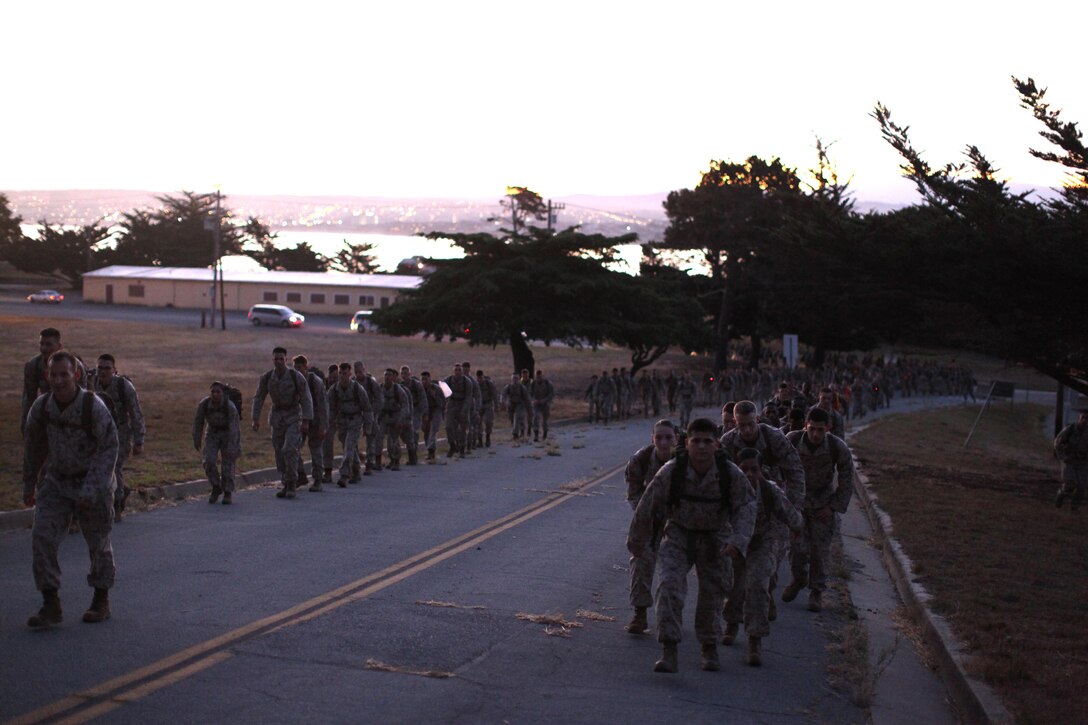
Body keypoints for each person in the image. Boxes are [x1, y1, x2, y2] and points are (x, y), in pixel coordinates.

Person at [627, 417, 756, 674]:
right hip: (679, 535)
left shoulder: (730, 474)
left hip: (715, 538)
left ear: (717, 445)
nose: (701, 447)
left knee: (713, 594)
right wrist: (638, 542)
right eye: (695, 441)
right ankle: (669, 650)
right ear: (687, 443)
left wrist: (738, 541)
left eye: (707, 442)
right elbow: (646, 506)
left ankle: (709, 647)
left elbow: (747, 506)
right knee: (669, 587)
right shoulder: (672, 471)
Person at [23, 351, 119, 628]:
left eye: (64, 374)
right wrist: (29, 484)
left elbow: (109, 448)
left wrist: (92, 490)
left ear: (76, 375)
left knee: (98, 543)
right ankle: (50, 603)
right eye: (53, 375)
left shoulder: (93, 407)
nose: (58, 380)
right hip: (57, 481)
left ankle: (101, 599)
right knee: (42, 537)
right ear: (47, 376)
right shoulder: (42, 409)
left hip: (93, 483)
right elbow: (33, 448)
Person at [722, 449, 803, 666]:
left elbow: (789, 513)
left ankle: (754, 640)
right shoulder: (727, 489)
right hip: (735, 543)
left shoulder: (769, 490)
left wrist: (797, 526)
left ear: (761, 471)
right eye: (744, 469)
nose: (749, 474)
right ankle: (731, 622)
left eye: (754, 470)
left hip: (761, 542)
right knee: (733, 586)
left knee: (757, 585)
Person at [785, 408, 855, 612]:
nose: (815, 434)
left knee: (819, 551)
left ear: (827, 429)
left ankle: (816, 592)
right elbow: (778, 466)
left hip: (822, 504)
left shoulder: (836, 447)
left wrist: (833, 507)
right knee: (796, 548)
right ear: (806, 425)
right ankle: (798, 579)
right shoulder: (792, 440)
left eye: (820, 430)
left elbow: (847, 479)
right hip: (797, 502)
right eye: (812, 429)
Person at [623, 419, 677, 635]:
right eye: (659, 437)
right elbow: (634, 494)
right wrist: (646, 515)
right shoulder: (641, 460)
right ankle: (640, 612)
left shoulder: (685, 460)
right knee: (641, 558)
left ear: (677, 439)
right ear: (652, 438)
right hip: (648, 516)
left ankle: (671, 615)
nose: (663, 442)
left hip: (680, 520)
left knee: (673, 570)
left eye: (668, 437)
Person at [252, 347, 314, 499]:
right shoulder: (267, 377)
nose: (279, 361)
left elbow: (306, 398)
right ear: (272, 360)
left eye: (281, 359)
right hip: (277, 418)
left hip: (293, 416)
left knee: (289, 449)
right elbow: (259, 397)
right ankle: (285, 482)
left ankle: (292, 483)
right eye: (276, 359)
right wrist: (255, 418)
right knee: (279, 452)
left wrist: (306, 420)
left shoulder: (295, 376)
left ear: (286, 360)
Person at [90, 354, 145, 521]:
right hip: (99, 432)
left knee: (115, 466)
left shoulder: (124, 386)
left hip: (120, 430)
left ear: (114, 370)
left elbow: (136, 413)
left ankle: (117, 504)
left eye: (107, 368)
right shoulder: (92, 384)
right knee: (99, 467)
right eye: (100, 368)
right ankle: (119, 491)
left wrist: (138, 441)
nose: (103, 371)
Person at [22, 327, 86, 436]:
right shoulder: (33, 366)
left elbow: (83, 397)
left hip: (73, 413)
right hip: (49, 412)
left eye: (49, 344)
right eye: (41, 344)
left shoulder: (74, 365)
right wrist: (26, 425)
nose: (44, 348)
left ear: (59, 346)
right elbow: (29, 398)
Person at [193, 381, 241, 504]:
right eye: (213, 392)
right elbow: (198, 422)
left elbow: (234, 428)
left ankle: (228, 491)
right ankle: (216, 486)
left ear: (223, 393)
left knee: (228, 463)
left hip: (228, 433)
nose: (214, 394)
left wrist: (233, 445)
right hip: (212, 433)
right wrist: (196, 438)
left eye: (218, 392)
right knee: (208, 460)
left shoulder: (230, 407)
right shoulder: (204, 404)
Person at [328, 362, 372, 485]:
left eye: (345, 373)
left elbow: (367, 408)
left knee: (349, 446)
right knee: (349, 447)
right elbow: (330, 408)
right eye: (340, 373)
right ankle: (356, 471)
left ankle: (344, 475)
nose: (342, 376)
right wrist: (328, 422)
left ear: (350, 374)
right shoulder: (334, 390)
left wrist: (368, 426)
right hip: (341, 421)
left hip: (355, 420)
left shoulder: (358, 388)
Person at [293, 355, 329, 491]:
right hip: (300, 420)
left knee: (315, 450)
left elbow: (323, 406)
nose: (297, 370)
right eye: (295, 367)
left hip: (316, 420)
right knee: (293, 447)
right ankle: (300, 475)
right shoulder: (294, 380)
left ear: (306, 367)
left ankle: (318, 480)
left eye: (300, 367)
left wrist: (323, 426)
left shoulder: (315, 382)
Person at [353, 362, 384, 473]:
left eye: (360, 372)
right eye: (356, 372)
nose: (358, 374)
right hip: (357, 414)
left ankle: (370, 464)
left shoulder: (371, 383)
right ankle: (356, 462)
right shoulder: (353, 383)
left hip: (370, 414)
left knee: (370, 440)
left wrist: (373, 412)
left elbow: (379, 399)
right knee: (353, 439)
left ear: (364, 370)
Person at [1054, 410, 1088, 511]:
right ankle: (1061, 495)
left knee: (1081, 486)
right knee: (1070, 484)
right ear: (1079, 418)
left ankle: (1074, 508)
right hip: (1069, 460)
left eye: (1087, 418)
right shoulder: (1070, 429)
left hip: (1083, 462)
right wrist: (1061, 456)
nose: (1085, 420)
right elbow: (1058, 443)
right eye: (1083, 418)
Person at [378, 368, 411, 470]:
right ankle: (379, 461)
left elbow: (405, 405)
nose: (387, 377)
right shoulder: (380, 388)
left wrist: (401, 420)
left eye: (389, 375)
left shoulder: (398, 390)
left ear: (393, 377)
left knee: (393, 440)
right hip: (384, 416)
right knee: (379, 438)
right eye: (385, 375)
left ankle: (396, 461)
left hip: (396, 416)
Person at [443, 364, 470, 457]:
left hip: (462, 403)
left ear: (462, 372)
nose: (457, 372)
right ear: (453, 371)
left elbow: (468, 397)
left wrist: (464, 410)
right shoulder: (448, 380)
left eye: (459, 370)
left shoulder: (467, 382)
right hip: (451, 403)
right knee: (448, 426)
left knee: (463, 428)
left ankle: (462, 448)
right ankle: (452, 445)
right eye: (456, 370)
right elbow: (444, 392)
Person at [400, 366, 425, 465]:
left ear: (409, 374)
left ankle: (413, 456)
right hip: (405, 412)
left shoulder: (416, 385)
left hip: (416, 411)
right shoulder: (400, 386)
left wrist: (424, 413)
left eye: (406, 373)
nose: (404, 376)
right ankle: (412, 451)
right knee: (404, 434)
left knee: (413, 432)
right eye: (402, 374)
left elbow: (423, 399)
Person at [419, 371, 446, 462]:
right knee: (426, 431)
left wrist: (433, 395)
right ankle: (430, 451)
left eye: (426, 379)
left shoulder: (437, 389)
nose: (424, 382)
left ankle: (431, 451)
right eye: (422, 379)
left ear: (430, 379)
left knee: (433, 429)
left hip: (436, 410)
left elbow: (442, 403)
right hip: (426, 411)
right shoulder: (420, 390)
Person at [502, 373, 530, 440]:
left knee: (517, 418)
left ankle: (515, 434)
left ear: (519, 379)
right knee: (512, 419)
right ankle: (521, 430)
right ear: (511, 379)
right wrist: (506, 402)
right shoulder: (508, 387)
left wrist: (528, 407)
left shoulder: (522, 387)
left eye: (516, 378)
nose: (515, 380)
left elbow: (526, 398)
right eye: (513, 378)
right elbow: (503, 396)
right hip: (511, 405)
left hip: (520, 405)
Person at [529, 369, 555, 442]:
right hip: (536, 403)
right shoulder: (533, 383)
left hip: (545, 404)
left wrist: (545, 400)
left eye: (540, 376)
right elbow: (530, 394)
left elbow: (551, 394)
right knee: (536, 418)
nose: (538, 378)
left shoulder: (548, 383)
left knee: (545, 420)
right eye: (537, 376)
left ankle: (545, 434)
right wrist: (534, 400)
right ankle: (536, 435)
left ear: (542, 376)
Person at [475, 370, 498, 448]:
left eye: (481, 377)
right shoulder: (475, 384)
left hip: (488, 403)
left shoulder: (489, 384)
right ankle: (480, 440)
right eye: (478, 378)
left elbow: (494, 394)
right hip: (478, 405)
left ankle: (488, 436)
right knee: (478, 423)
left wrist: (496, 406)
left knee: (488, 421)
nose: (479, 379)